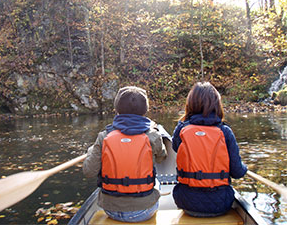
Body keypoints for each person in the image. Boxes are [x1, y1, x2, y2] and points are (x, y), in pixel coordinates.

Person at [82, 86, 167, 223]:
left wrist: (92, 150)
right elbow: (162, 158)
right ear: (145, 110)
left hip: (111, 210)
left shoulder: (104, 136)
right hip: (144, 211)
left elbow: (89, 171)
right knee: (156, 181)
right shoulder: (153, 135)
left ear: (117, 110)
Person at [171, 82, 247, 217]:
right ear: (217, 104)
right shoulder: (225, 132)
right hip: (220, 204)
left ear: (190, 104)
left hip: (186, 202)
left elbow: (175, 147)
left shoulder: (182, 130)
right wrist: (244, 167)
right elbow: (237, 172)